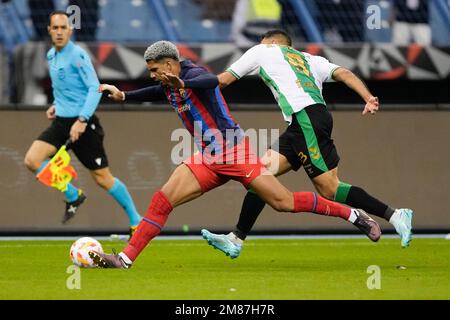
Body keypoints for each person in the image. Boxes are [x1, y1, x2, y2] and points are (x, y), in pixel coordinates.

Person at [88, 40, 380, 269]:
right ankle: (124, 260)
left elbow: (211, 82)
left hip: (235, 152)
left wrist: (184, 84)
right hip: (207, 158)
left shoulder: (192, 75)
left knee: (283, 202)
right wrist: (125, 95)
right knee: (162, 201)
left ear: (169, 64)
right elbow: (155, 91)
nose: (152, 75)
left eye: (154, 69)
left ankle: (355, 215)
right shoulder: (168, 83)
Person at [201, 30, 413, 258]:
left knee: (329, 188)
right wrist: (368, 96)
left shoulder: (263, 50)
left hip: (306, 119)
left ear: (272, 42)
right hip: (304, 122)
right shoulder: (311, 59)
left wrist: (187, 89)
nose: (260, 45)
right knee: (259, 178)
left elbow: (223, 80)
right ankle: (236, 239)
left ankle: (394, 215)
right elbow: (343, 73)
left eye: (263, 42)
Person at [23, 11, 142, 236]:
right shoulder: (51, 55)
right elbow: (65, 88)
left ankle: (137, 221)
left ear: (70, 30)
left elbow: (94, 88)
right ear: (49, 30)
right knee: (32, 160)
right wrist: (57, 105)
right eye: (55, 28)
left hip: (84, 125)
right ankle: (72, 195)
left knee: (103, 179)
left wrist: (82, 120)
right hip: (62, 122)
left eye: (63, 28)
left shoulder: (77, 55)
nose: (59, 32)